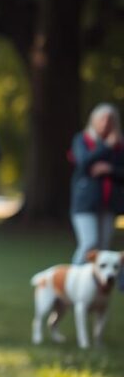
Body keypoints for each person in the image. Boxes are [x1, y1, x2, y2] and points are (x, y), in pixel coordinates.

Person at [68, 103, 124, 268]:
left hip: (109, 203)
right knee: (89, 243)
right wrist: (106, 147)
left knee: (103, 249)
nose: (106, 123)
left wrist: (110, 169)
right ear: (93, 120)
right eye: (102, 119)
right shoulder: (82, 140)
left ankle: (96, 289)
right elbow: (83, 163)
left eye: (110, 119)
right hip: (85, 203)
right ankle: (73, 282)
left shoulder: (120, 146)